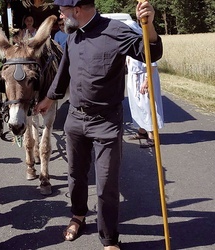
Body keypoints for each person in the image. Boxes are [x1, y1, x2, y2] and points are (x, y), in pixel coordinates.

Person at [35, 0, 163, 249]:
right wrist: (49, 99)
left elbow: (151, 52)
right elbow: (64, 72)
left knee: (106, 184)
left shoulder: (115, 31)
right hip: (75, 118)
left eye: (62, 10)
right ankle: (78, 216)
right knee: (75, 176)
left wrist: (148, 25)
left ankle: (109, 239)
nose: (59, 15)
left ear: (77, 10)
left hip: (106, 121)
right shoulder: (73, 36)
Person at [123, 20, 164, 148]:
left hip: (144, 78)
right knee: (137, 106)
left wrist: (146, 82)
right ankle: (142, 131)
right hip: (134, 79)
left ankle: (152, 136)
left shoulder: (144, 44)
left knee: (147, 107)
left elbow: (152, 65)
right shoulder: (130, 45)